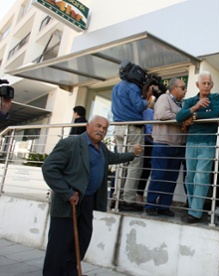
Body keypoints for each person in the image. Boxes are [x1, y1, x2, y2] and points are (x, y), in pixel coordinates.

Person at [41, 115, 142, 276]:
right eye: (98, 126)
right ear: (88, 126)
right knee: (59, 245)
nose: (101, 130)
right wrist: (67, 192)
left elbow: (114, 158)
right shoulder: (70, 144)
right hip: (69, 202)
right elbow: (49, 168)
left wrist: (133, 154)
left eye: (105, 128)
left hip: (88, 201)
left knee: (81, 241)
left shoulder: (101, 148)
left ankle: (70, 272)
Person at [176, 71, 219, 223]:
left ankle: (195, 212)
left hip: (207, 142)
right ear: (197, 85)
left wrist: (193, 116)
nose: (207, 86)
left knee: (201, 176)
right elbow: (179, 117)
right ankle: (192, 207)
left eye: (209, 83)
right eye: (204, 83)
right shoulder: (190, 101)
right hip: (191, 142)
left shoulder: (216, 97)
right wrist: (196, 107)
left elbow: (214, 114)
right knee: (190, 177)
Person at [111, 64, 152, 211]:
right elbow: (139, 106)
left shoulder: (116, 87)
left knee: (122, 163)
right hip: (132, 128)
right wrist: (149, 100)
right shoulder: (131, 87)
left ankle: (117, 197)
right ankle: (128, 200)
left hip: (118, 128)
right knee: (135, 163)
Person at [146, 78, 187, 216]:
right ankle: (150, 205)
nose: (185, 90)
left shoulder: (182, 103)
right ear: (174, 88)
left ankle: (164, 206)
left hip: (178, 146)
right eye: (183, 87)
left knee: (171, 179)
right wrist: (182, 119)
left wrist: (182, 119)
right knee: (158, 175)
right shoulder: (164, 98)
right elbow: (162, 115)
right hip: (163, 144)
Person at [137, 99, 155, 205]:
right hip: (148, 144)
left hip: (149, 143)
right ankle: (139, 195)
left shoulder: (151, 112)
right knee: (145, 170)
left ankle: (139, 195)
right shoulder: (149, 112)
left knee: (145, 170)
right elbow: (148, 131)